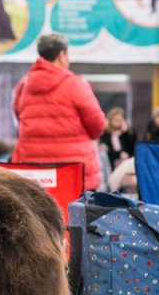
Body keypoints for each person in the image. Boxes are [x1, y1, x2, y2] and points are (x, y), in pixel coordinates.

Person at [12, 33, 105, 191]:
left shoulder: (23, 85)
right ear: (62, 55)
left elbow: (19, 121)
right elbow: (97, 126)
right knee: (75, 215)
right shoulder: (75, 84)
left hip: (34, 175)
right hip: (73, 173)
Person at [99, 107, 136, 171]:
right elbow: (105, 149)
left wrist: (126, 133)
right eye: (116, 120)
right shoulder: (105, 133)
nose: (118, 122)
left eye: (120, 120)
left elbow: (132, 148)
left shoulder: (128, 133)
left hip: (126, 164)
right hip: (111, 165)